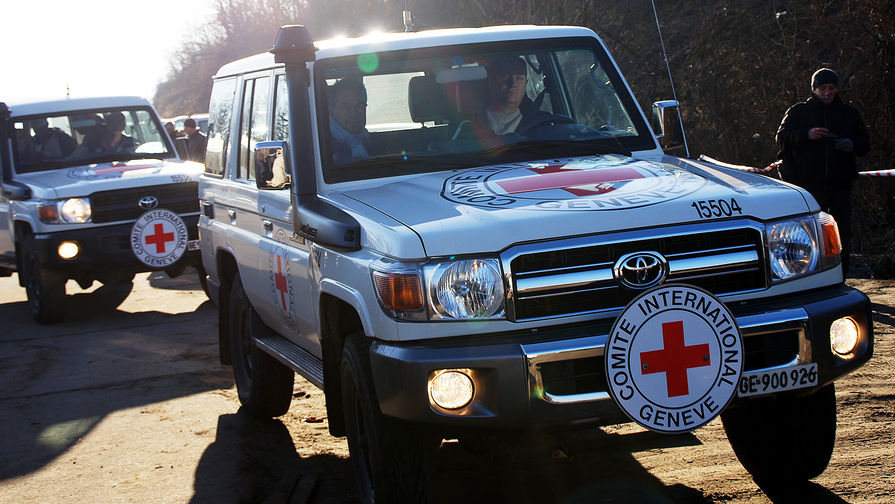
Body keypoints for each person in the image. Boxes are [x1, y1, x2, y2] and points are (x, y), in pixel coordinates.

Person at [776, 68, 871, 275]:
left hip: (841, 185)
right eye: (823, 88)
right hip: (809, 187)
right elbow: (781, 138)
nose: (827, 92)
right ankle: (811, 279)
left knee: (841, 235)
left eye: (831, 88)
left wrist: (851, 144)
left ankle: (841, 277)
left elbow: (865, 144)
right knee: (809, 237)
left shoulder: (849, 113)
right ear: (814, 89)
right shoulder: (799, 112)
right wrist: (806, 135)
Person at [328, 78, 369, 164]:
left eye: (359, 106)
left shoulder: (375, 143)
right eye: (346, 107)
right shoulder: (324, 148)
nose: (353, 114)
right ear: (331, 111)